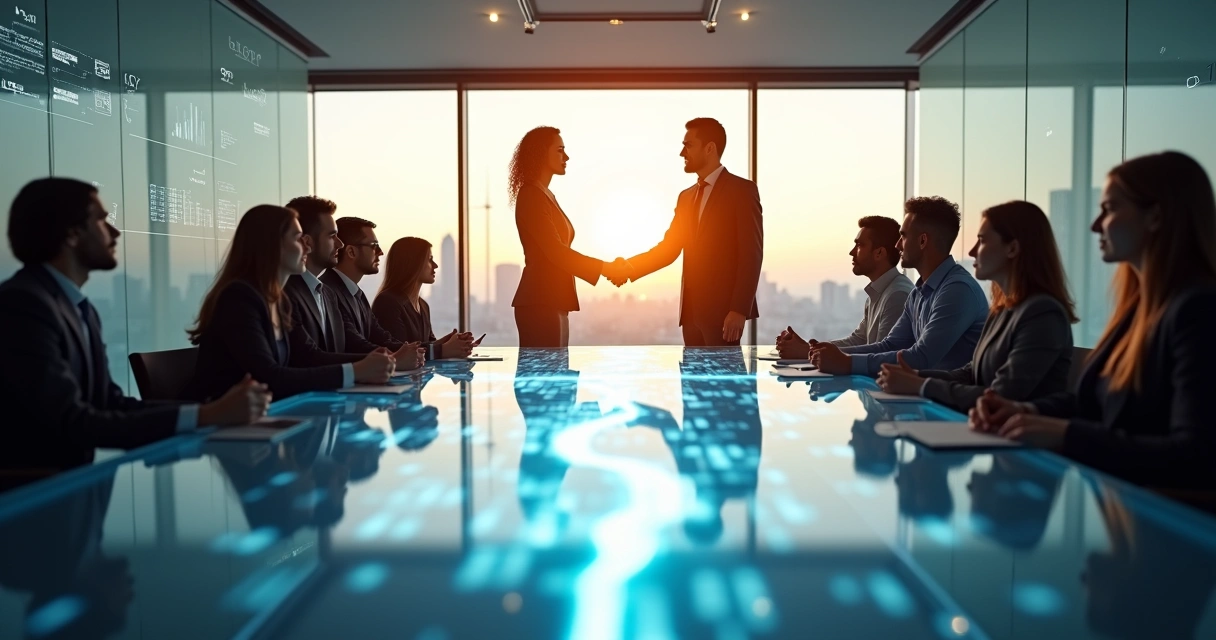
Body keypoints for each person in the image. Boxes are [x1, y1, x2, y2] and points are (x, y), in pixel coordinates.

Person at [971, 151, 1216, 490]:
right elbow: (1094, 402)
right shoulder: (1140, 308)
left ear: (1156, 217)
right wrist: (1023, 409)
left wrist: (1067, 434)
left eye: (1110, 209)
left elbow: (1196, 456)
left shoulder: (1197, 311)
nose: (1095, 224)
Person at [0, 178, 269, 477]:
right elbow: (71, 422)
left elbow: (108, 403)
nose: (115, 232)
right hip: (31, 501)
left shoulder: (80, 309)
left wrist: (209, 413)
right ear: (73, 234)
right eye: (102, 221)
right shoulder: (23, 305)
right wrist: (208, 415)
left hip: (70, 492)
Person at [877, 201, 1077, 411]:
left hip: (1019, 440)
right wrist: (915, 376)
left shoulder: (1043, 313)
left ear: (1012, 248)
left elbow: (1001, 395)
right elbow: (970, 373)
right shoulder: (1002, 310)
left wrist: (921, 385)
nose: (972, 251)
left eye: (981, 241)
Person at [185, 205, 397, 402]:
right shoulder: (239, 298)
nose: (307, 245)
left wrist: (374, 361)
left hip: (258, 420)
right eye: (298, 238)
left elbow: (308, 356)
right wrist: (358, 370)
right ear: (271, 244)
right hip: (214, 429)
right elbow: (270, 376)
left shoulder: (278, 301)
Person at [614, 118, 764, 347]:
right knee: (693, 381)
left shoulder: (742, 190)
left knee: (724, 381)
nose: (682, 152)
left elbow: (751, 254)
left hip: (724, 316)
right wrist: (629, 267)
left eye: (688, 145)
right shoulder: (685, 197)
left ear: (710, 148)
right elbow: (668, 249)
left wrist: (739, 310)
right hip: (691, 316)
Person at [811, 196, 987, 376]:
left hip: (946, 402)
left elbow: (921, 357)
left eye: (903, 236)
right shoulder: (918, 293)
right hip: (921, 395)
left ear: (922, 241)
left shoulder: (957, 290)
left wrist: (847, 363)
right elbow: (890, 345)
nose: (897, 245)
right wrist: (831, 354)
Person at [509, 126, 629, 347]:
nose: (566, 157)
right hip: (540, 301)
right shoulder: (532, 195)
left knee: (558, 376)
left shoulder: (544, 195)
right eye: (560, 150)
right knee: (547, 377)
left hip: (553, 299)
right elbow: (555, 251)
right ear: (540, 153)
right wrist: (606, 268)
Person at [282, 196, 424, 368]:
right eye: (332, 236)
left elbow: (340, 350)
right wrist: (392, 360)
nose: (340, 244)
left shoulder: (327, 293)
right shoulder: (287, 293)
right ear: (307, 241)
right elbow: (310, 357)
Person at [775, 216, 913, 358]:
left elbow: (884, 355)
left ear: (879, 253)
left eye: (859, 245)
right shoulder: (880, 291)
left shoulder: (897, 295)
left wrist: (808, 352)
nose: (852, 252)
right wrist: (810, 347)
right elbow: (858, 340)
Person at [373, 236, 475, 360]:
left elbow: (427, 344)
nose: (435, 265)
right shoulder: (387, 303)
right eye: (430, 259)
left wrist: (447, 343)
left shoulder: (423, 305)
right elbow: (397, 351)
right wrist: (444, 349)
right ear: (413, 263)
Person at [322, 216, 406, 353]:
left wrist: (434, 349)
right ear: (351, 252)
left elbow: (383, 340)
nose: (380, 252)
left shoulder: (357, 294)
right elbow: (356, 346)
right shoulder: (328, 292)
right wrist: (395, 358)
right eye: (374, 246)